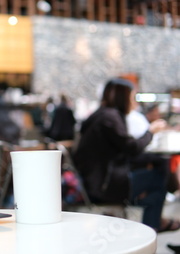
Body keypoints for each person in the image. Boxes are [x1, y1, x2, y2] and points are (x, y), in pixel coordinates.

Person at [73, 77, 177, 232]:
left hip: (98, 180)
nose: (134, 102)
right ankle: (153, 224)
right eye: (132, 97)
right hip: (105, 185)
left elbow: (124, 151)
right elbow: (132, 148)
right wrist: (151, 131)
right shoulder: (110, 118)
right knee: (159, 176)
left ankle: (152, 225)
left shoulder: (103, 115)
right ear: (122, 97)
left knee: (157, 181)